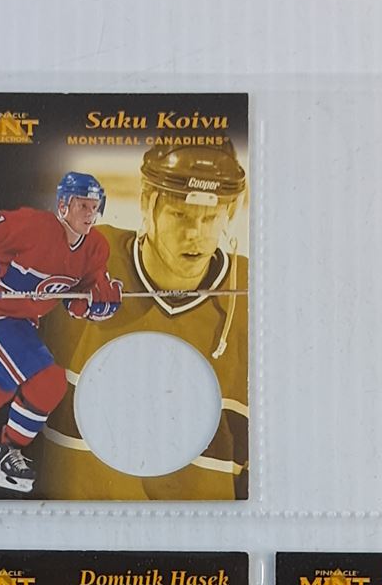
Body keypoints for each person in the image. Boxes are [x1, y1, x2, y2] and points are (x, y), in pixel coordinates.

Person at [37, 139, 250, 501]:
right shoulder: (77, 263)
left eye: (210, 218)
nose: (195, 233)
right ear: (147, 204)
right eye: (180, 215)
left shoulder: (255, 298)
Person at [0, 172, 124, 493]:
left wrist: (99, 303)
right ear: (63, 205)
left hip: (24, 323)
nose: (90, 213)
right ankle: (9, 452)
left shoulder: (96, 247)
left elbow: (77, 301)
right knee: (48, 382)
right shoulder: (33, 226)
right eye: (82, 205)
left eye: (94, 206)